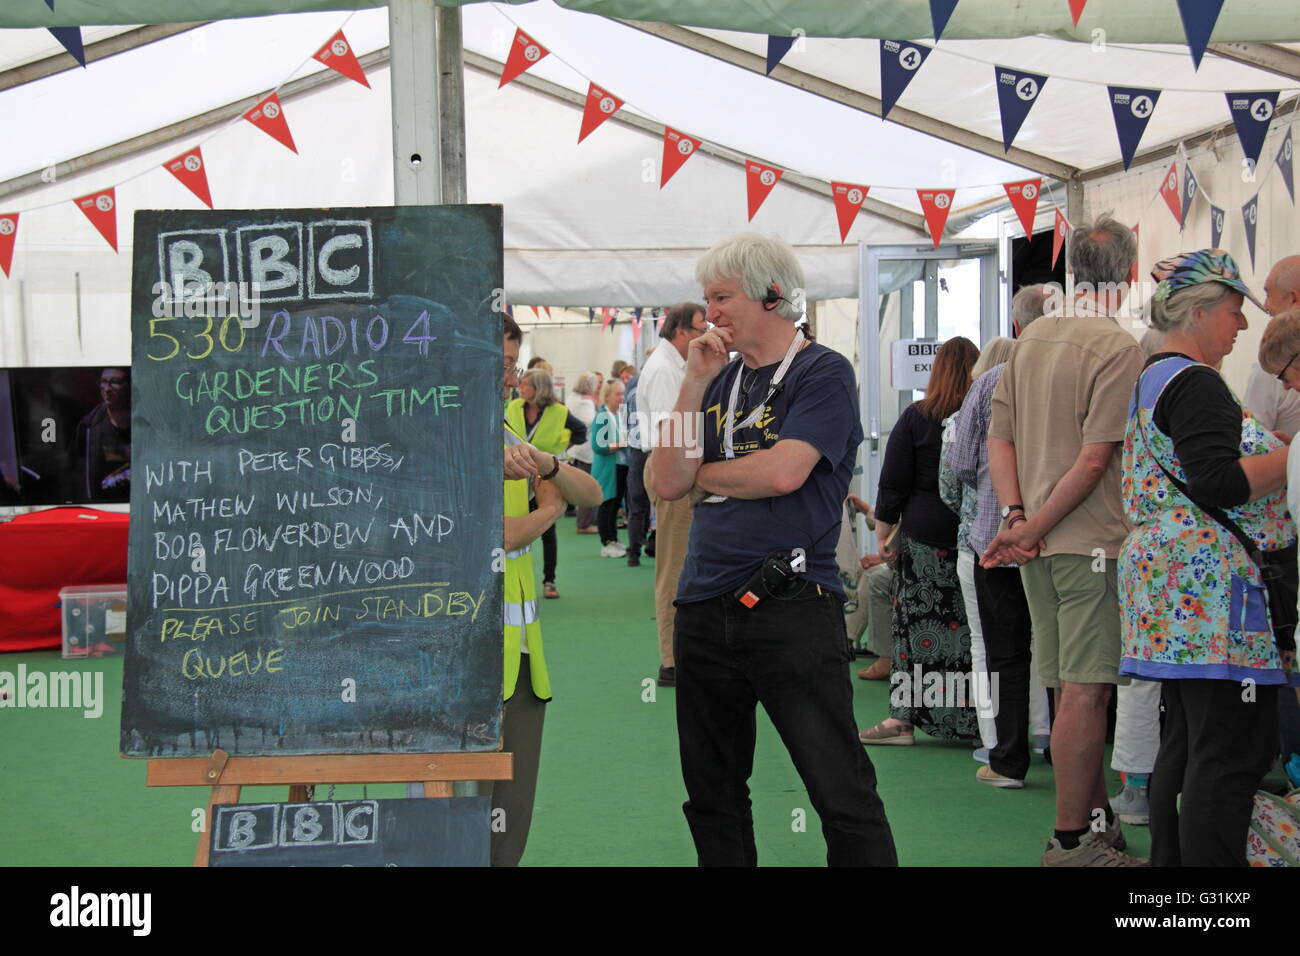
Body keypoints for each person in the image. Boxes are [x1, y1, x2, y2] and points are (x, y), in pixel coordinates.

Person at [650, 232, 896, 867]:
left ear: (773, 294)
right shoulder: (715, 377)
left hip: (792, 603)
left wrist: (705, 478)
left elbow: (783, 472)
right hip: (704, 604)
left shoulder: (824, 372)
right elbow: (664, 481)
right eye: (706, 300)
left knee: (837, 786)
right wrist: (692, 384)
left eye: (723, 297)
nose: (712, 314)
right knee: (711, 792)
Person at [982, 217, 1146, 866]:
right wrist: (1033, 526)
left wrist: (1017, 517)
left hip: (1038, 547)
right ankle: (1073, 839)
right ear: (1129, 276)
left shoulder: (1031, 337)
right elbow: (1094, 460)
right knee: (1086, 690)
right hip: (1088, 542)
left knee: (1064, 686)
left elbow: (1002, 439)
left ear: (1071, 270)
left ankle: (1093, 821)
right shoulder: (1119, 347)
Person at [1122, 252, 1294, 867]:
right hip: (1213, 599)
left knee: (1190, 743)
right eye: (1232, 311)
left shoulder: (1154, 377)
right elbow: (1219, 482)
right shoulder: (1193, 382)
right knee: (1227, 753)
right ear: (1196, 314)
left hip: (1178, 596)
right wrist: (1294, 457)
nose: (1242, 325)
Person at [497, 316, 603, 867]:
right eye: (500, 366)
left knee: (508, 819)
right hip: (459, 661)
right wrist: (549, 512)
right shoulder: (440, 436)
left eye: (513, 367)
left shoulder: (511, 432)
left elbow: (594, 490)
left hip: (519, 659)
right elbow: (496, 537)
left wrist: (549, 465)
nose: (509, 379)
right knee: (454, 809)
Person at [950, 287, 1052, 786]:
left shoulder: (992, 380)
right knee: (1062, 653)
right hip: (1063, 536)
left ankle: (1008, 760)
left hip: (998, 539)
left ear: (1016, 327)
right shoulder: (1077, 375)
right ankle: (1058, 746)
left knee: (1004, 651)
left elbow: (962, 462)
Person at [860, 336, 980, 746]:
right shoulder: (985, 416)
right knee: (970, 634)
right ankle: (976, 721)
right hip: (973, 539)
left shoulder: (916, 417)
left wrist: (883, 535)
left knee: (914, 631)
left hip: (923, 540)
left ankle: (902, 722)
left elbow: (893, 483)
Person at [638, 302, 709, 686]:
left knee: (683, 564)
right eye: (701, 327)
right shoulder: (666, 370)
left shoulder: (672, 365)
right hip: (673, 470)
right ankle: (671, 661)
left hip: (678, 469)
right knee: (674, 567)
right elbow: (673, 434)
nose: (707, 333)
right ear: (681, 331)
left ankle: (680, 654)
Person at [506, 369, 588, 599]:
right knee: (519, 527)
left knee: (547, 530)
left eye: (526, 384)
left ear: (539, 388)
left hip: (545, 480)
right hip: (516, 480)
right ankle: (515, 581)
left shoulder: (559, 411)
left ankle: (549, 580)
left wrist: (560, 456)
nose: (520, 387)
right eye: (520, 384)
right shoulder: (513, 407)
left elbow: (581, 432)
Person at [72, 367, 131, 502]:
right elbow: (77, 471)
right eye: (104, 382)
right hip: (101, 504)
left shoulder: (145, 422)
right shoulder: (88, 426)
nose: (107, 388)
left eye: (115, 382)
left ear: (128, 386)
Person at [592, 379, 630, 557]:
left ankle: (613, 540)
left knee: (615, 505)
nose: (622, 397)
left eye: (623, 393)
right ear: (607, 396)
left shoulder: (618, 415)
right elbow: (598, 446)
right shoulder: (602, 416)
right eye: (618, 394)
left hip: (620, 466)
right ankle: (606, 542)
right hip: (608, 468)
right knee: (606, 504)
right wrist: (621, 444)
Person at [565, 372, 601, 535]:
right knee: (588, 487)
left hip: (576, 450)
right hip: (587, 450)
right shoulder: (586, 403)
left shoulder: (572, 398)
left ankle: (584, 521)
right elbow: (591, 422)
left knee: (581, 486)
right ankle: (585, 523)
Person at [623, 367, 651, 567]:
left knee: (637, 504)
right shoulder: (666, 378)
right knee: (663, 504)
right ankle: (648, 546)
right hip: (656, 448)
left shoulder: (633, 383)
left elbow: (626, 418)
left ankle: (634, 552)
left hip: (637, 449)